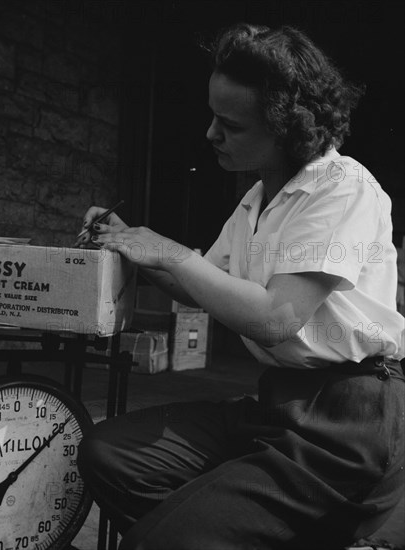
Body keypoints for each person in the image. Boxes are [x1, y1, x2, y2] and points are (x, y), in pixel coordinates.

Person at [75, 23, 405, 550]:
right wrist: (126, 245)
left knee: (158, 543)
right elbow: (205, 285)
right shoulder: (258, 199)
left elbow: (275, 317)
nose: (211, 134)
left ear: (289, 129)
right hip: (277, 408)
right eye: (213, 117)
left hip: (348, 428)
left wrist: (169, 251)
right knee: (108, 453)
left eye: (230, 124)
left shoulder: (344, 189)